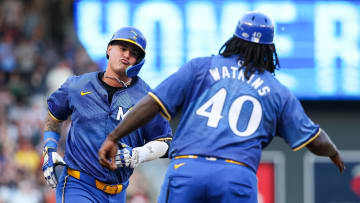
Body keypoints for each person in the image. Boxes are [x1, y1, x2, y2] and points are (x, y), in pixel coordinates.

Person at [98, 11, 345, 203]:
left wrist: (113, 136)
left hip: (188, 169)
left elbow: (151, 104)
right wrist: (333, 152)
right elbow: (315, 139)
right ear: (270, 49)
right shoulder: (278, 91)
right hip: (236, 175)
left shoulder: (201, 67)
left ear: (235, 39)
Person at [41, 26, 172, 203]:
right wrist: (49, 148)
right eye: (123, 48)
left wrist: (138, 154)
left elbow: (164, 141)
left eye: (133, 53)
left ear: (139, 61)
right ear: (109, 49)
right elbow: (54, 115)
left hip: (118, 192)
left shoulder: (147, 97)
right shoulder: (77, 85)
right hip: (78, 185)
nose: (126, 55)